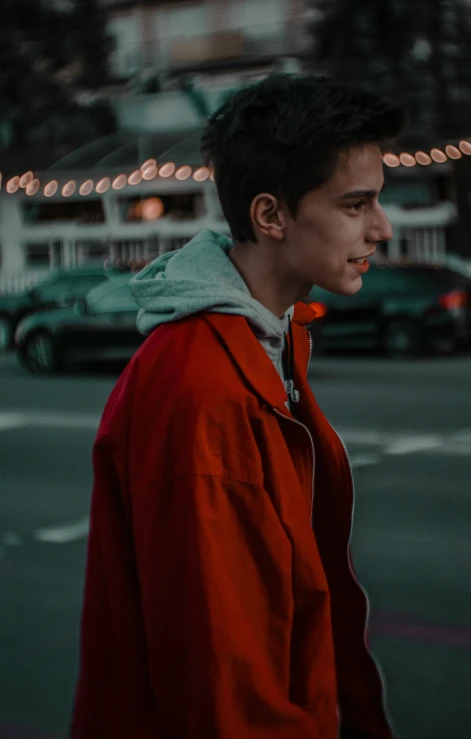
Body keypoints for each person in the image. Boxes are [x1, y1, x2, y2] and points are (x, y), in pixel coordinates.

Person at [70, 74, 403, 739]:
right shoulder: (204, 388)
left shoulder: (266, 341)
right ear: (271, 215)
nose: (382, 228)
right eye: (354, 204)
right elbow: (223, 684)